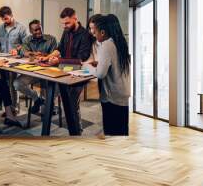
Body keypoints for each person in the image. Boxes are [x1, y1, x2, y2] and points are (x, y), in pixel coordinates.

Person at [41, 7, 94, 135]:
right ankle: (73, 130)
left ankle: (77, 131)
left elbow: (81, 58)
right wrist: (47, 57)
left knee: (71, 102)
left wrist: (58, 61)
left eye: (67, 23)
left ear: (75, 18)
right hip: (63, 70)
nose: (65, 26)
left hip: (78, 73)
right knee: (54, 94)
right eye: (63, 23)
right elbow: (59, 48)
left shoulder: (85, 34)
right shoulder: (66, 31)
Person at [85, 14, 130, 136]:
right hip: (122, 93)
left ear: (103, 31)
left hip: (112, 96)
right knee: (122, 130)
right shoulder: (120, 42)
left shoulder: (106, 45)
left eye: (95, 31)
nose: (93, 33)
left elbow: (100, 74)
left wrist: (87, 67)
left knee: (111, 131)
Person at [0, 6, 27, 128]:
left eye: (6, 18)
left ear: (11, 15)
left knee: (13, 84)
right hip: (3, 61)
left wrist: (18, 49)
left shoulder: (21, 28)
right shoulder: (0, 28)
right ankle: (8, 109)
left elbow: (26, 43)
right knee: (4, 84)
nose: (5, 21)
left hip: (15, 60)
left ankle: (14, 108)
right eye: (3, 19)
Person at [13, 19, 57, 114]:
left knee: (45, 112)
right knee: (17, 83)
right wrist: (33, 53)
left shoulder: (51, 39)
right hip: (33, 71)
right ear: (30, 31)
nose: (38, 31)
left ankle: (49, 105)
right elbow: (22, 51)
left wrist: (45, 56)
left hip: (47, 71)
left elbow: (55, 54)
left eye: (39, 29)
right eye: (35, 30)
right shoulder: (27, 40)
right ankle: (36, 99)